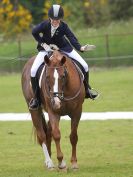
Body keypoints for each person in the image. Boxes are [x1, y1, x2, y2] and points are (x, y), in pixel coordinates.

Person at [29, 4, 99, 110]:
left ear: (61, 19)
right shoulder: (44, 25)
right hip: (46, 49)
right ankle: (36, 98)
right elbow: (34, 32)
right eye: (53, 19)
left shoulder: (64, 26)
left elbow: (71, 37)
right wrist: (43, 44)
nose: (55, 22)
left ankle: (87, 90)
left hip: (63, 48)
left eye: (57, 20)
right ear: (49, 18)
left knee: (85, 65)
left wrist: (80, 48)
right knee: (33, 70)